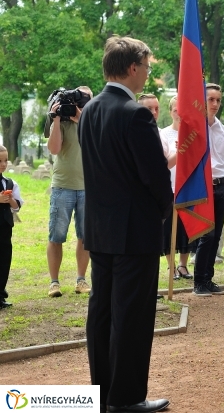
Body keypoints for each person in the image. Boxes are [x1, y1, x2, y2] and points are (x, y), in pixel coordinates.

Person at [78, 35, 172, 412]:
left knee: (102, 313)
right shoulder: (134, 113)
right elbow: (154, 176)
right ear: (132, 68)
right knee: (131, 317)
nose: (147, 75)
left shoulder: (91, 110)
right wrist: (164, 210)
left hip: (99, 230)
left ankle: (101, 394)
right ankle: (128, 397)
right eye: (147, 68)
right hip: (135, 232)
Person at [46, 85, 93, 298]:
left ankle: (81, 280)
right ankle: (54, 283)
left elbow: (97, 141)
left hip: (88, 187)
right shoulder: (63, 121)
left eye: (85, 99)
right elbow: (54, 149)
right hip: (63, 185)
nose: (80, 103)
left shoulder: (91, 121)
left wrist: (80, 118)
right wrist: (56, 119)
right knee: (56, 236)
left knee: (85, 237)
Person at [192, 83, 224, 296]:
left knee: (216, 237)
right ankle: (198, 281)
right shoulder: (195, 129)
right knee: (206, 235)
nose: (215, 104)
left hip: (221, 185)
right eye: (210, 100)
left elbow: (223, 162)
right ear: (202, 101)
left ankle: (208, 278)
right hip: (203, 186)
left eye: (218, 100)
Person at [158, 96, 191, 282]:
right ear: (170, 112)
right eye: (176, 110)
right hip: (169, 187)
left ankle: (183, 264)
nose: (179, 114)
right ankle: (171, 266)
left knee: (185, 228)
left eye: (182, 109)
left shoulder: (192, 133)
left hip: (187, 187)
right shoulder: (163, 134)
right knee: (169, 228)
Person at [0, 145, 22, 310]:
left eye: (6, 160)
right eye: (0, 161)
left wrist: (11, 201)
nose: (3, 164)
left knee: (4, 260)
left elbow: (16, 206)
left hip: (5, 229)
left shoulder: (9, 183)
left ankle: (1, 294)